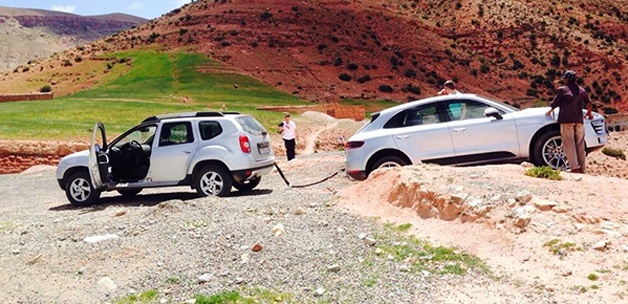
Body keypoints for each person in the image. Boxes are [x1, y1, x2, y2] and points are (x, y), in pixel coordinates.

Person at [545, 70, 593, 173]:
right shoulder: (582, 91)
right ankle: (582, 168)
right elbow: (589, 103)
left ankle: (575, 167)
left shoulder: (563, 90)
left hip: (566, 119)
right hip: (579, 120)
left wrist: (550, 111)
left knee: (569, 143)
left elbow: (555, 103)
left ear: (566, 79)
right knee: (580, 144)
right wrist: (589, 113)